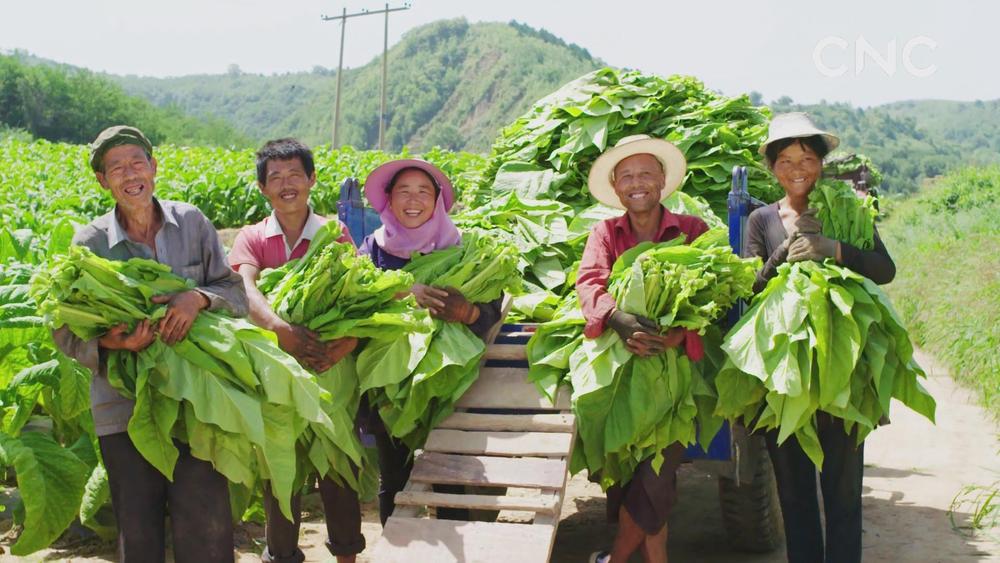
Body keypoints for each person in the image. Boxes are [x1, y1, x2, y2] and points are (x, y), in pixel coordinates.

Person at [53, 125, 247, 563]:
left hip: (198, 403)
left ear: (153, 167)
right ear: (102, 181)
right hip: (124, 407)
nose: (130, 174)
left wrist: (197, 298)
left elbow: (235, 292)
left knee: (207, 526)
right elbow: (64, 329)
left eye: (136, 162)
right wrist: (113, 342)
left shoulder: (192, 222)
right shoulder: (90, 243)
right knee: (138, 531)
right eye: (116, 168)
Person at [745, 112, 895, 563]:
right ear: (773, 168)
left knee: (844, 496)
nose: (797, 169)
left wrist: (836, 249)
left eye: (807, 159)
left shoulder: (846, 209)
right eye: (786, 160)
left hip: (842, 368)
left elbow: (885, 269)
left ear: (821, 164)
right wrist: (783, 252)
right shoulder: (760, 220)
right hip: (785, 378)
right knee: (794, 497)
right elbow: (750, 287)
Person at [227, 138, 365, 563]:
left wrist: (344, 346)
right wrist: (279, 329)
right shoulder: (252, 238)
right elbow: (244, 287)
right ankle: (281, 555)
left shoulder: (334, 234)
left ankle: (346, 555)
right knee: (280, 473)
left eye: (295, 175)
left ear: (311, 180)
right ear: (262, 188)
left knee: (338, 468)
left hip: (329, 369)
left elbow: (357, 294)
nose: (286, 185)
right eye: (276, 178)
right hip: (275, 372)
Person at [577, 135, 707, 563]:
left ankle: (612, 560)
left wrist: (677, 335)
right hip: (621, 370)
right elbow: (589, 283)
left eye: (646, 174)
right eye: (627, 177)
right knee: (634, 477)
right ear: (616, 188)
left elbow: (713, 296)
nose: (637, 184)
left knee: (655, 474)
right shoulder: (604, 233)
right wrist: (616, 318)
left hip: (676, 376)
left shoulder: (692, 232)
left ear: (662, 181)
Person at [357, 159, 504, 524]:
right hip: (389, 387)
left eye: (423, 191)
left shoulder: (462, 249)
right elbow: (355, 301)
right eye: (403, 191)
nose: (413, 200)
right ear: (389, 199)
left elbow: (491, 312)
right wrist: (402, 292)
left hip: (449, 384)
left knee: (449, 477)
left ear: (437, 200)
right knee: (394, 479)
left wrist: (466, 312)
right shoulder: (372, 250)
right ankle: (398, 546)